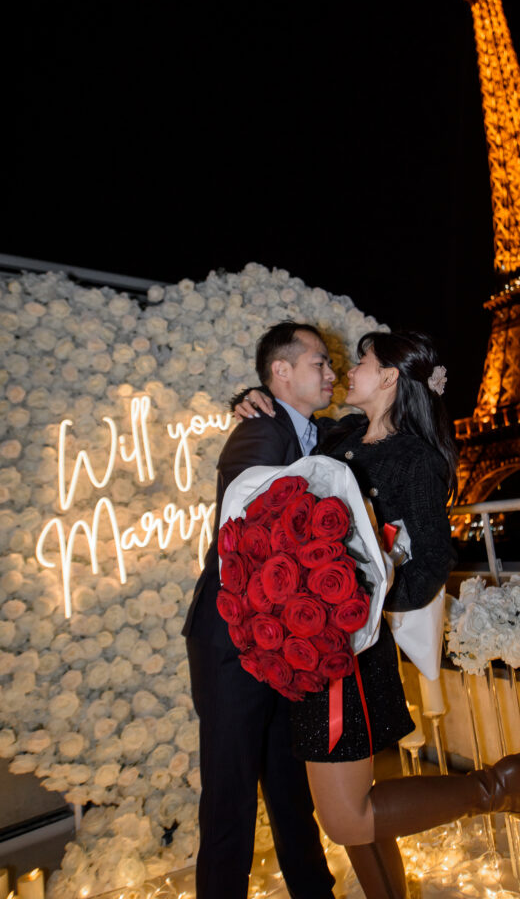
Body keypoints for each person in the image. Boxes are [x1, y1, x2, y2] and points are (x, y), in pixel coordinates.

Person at [236, 329, 520, 899]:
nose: (347, 370)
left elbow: (433, 560)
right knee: (354, 813)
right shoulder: (339, 436)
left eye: (361, 361)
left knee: (345, 817)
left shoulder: (417, 458)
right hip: (317, 639)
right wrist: (247, 397)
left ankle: (498, 789)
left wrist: (361, 599)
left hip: (349, 648)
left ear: (387, 378)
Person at [182, 322, 336, 899]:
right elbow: (244, 534)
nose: (330, 373)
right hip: (231, 640)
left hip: (275, 638)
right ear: (282, 372)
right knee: (230, 800)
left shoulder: (308, 432)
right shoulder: (259, 434)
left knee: (289, 788)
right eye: (319, 362)